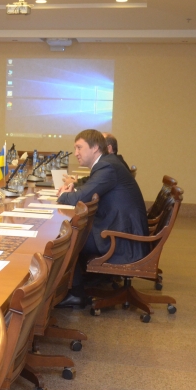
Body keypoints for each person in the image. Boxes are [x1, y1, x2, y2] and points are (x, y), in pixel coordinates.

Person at [54, 129, 149, 308]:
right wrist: (72, 193)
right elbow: (86, 192)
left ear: (95, 147)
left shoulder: (107, 167)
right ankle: (73, 286)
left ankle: (76, 293)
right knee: (72, 231)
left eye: (79, 147)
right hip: (119, 229)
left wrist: (64, 195)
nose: (76, 153)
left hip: (124, 240)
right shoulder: (107, 163)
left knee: (66, 238)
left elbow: (80, 197)